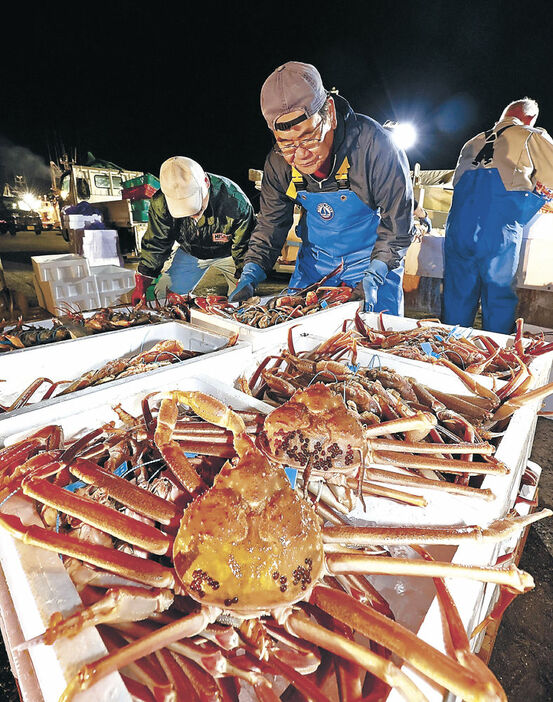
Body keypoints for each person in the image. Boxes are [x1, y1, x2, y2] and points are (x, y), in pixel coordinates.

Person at [230, 61, 415, 314]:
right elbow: (271, 224)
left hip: (372, 261)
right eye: (286, 143)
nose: (301, 154)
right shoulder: (279, 164)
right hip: (315, 265)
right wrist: (251, 271)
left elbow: (397, 222)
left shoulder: (374, 146)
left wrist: (377, 272)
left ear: (330, 113)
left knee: (377, 336)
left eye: (308, 137)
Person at [443, 98, 553, 334]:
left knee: (456, 296)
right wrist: (538, 199)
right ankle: (496, 359)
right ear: (529, 118)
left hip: (458, 232)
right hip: (498, 233)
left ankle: (449, 353)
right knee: (498, 298)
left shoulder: (472, 142)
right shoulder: (530, 134)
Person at [131, 156, 256, 303]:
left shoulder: (235, 202)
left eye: (196, 206)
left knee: (241, 301)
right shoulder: (160, 203)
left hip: (230, 254)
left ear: (206, 183)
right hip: (190, 253)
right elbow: (157, 243)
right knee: (164, 298)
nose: (193, 215)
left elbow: (245, 248)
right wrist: (142, 282)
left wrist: (245, 277)